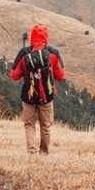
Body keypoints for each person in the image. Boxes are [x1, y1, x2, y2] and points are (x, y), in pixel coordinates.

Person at [10, 24, 65, 154]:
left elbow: (13, 76)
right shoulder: (53, 53)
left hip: (28, 96)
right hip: (46, 95)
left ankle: (32, 151)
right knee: (45, 127)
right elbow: (61, 76)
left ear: (32, 36)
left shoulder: (24, 53)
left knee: (29, 125)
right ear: (46, 37)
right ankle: (44, 153)